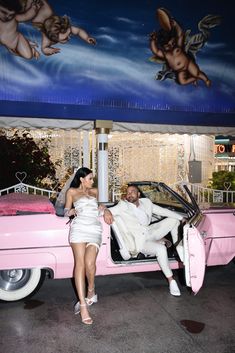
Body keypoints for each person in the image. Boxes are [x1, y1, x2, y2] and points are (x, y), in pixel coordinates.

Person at [104, 184, 185, 296]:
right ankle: (171, 280)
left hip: (151, 231)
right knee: (161, 249)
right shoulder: (122, 206)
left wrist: (182, 218)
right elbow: (106, 210)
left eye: (132, 191)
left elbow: (162, 211)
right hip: (141, 241)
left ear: (138, 194)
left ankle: (177, 249)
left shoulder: (146, 202)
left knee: (173, 221)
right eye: (127, 192)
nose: (129, 194)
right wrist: (105, 210)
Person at [64, 167, 111, 325]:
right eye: (90, 178)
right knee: (80, 264)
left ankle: (91, 289)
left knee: (90, 264)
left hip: (94, 229)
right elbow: (65, 211)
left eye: (92, 179)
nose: (92, 181)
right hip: (78, 229)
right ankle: (83, 306)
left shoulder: (95, 192)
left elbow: (102, 207)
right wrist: (69, 212)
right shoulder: (72, 192)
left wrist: (105, 210)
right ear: (82, 179)